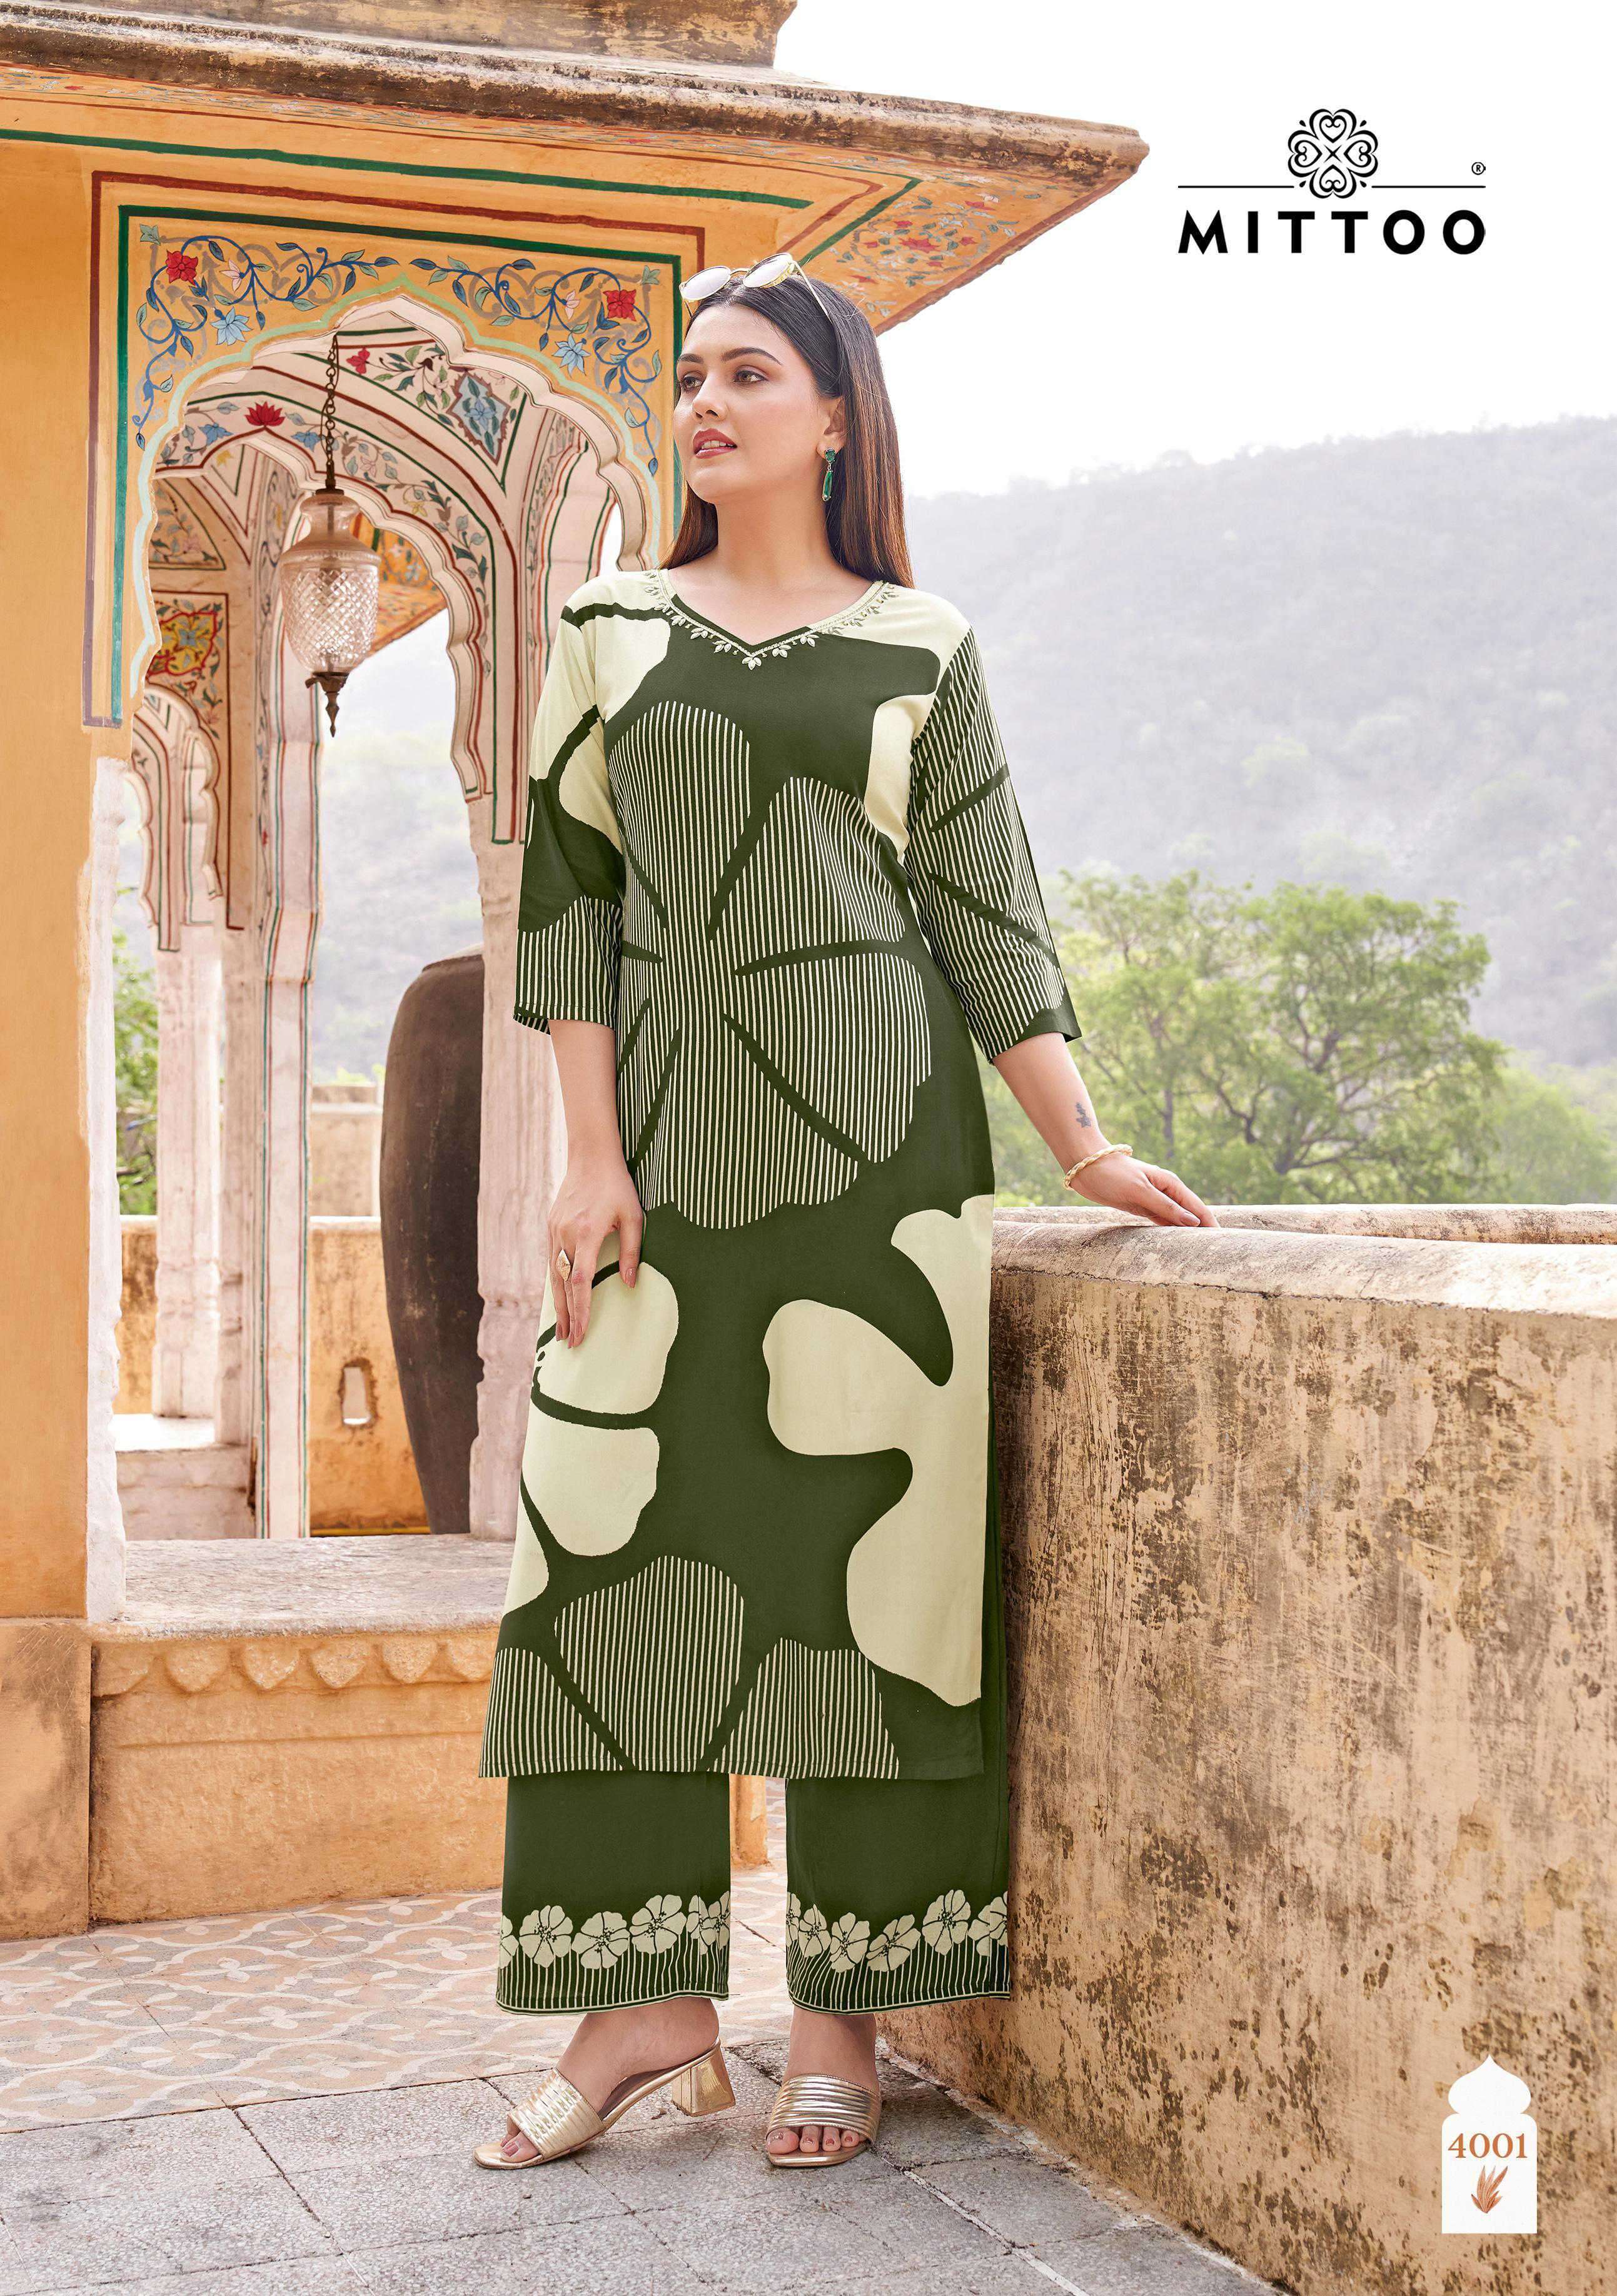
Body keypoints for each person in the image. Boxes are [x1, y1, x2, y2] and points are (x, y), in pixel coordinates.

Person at [473, 249, 1217, 2174]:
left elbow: (983, 910)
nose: (703, 405)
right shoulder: (610, 628)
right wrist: (584, 1150)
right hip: (662, 1164)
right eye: (690, 377)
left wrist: (1078, 1149)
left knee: (875, 1584)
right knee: (602, 1560)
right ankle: (638, 2006)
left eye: (744, 375)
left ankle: (840, 2016)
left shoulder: (921, 643)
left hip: (882, 1163)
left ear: (830, 417)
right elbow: (569, 904)